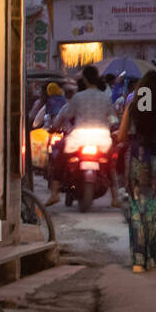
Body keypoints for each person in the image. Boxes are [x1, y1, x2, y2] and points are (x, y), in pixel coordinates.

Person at [118, 71, 156, 273]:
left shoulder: (134, 107)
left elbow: (122, 135)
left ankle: (139, 261)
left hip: (138, 161)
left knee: (137, 210)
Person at [46, 65, 120, 207]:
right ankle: (115, 197)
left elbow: (67, 115)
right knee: (110, 164)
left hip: (79, 137)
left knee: (59, 158)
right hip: (102, 138)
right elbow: (113, 118)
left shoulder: (78, 97)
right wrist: (115, 129)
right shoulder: (105, 98)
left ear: (85, 80)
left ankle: (54, 193)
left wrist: (56, 126)